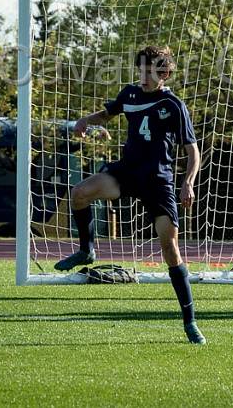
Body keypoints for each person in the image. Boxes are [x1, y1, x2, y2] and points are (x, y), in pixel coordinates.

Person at [52, 46, 205, 344]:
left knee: (170, 248)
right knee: (80, 193)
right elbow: (107, 114)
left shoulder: (173, 105)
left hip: (158, 182)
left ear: (164, 74)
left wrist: (188, 182)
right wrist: (85, 120)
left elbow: (192, 151)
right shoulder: (130, 95)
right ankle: (87, 250)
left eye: (150, 72)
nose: (144, 77)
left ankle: (190, 322)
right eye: (141, 71)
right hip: (126, 174)